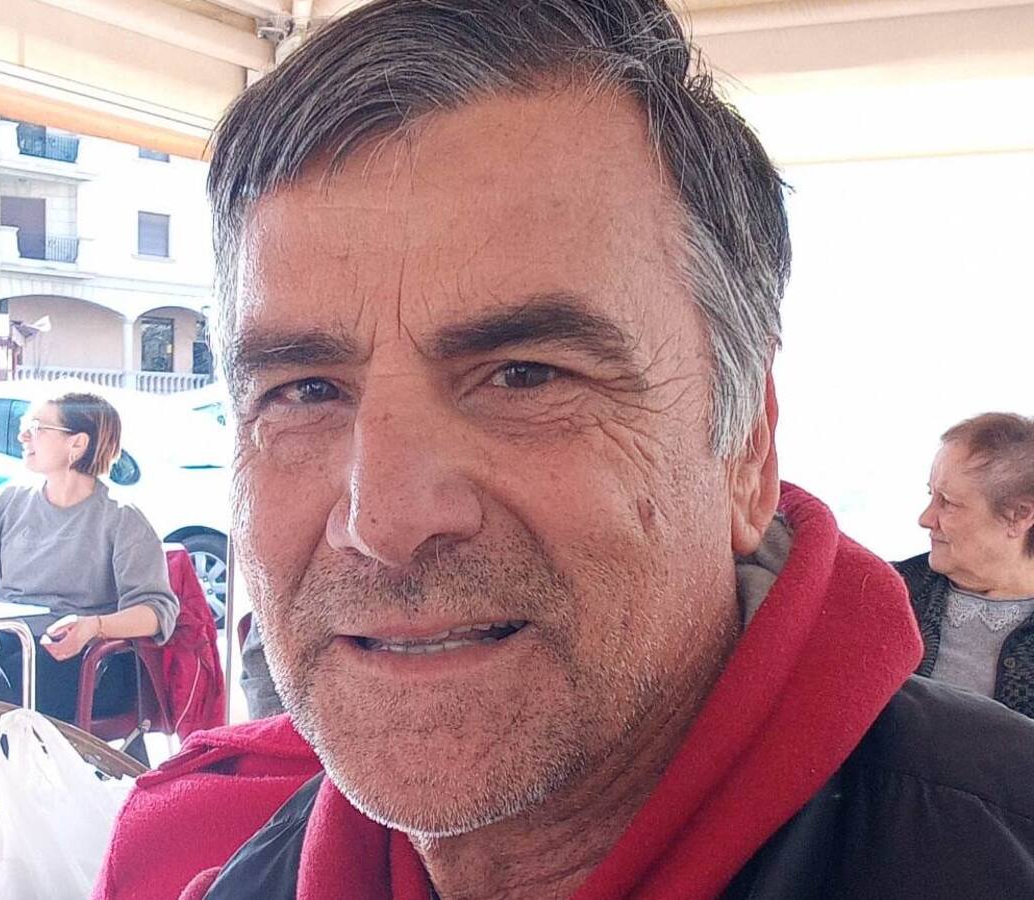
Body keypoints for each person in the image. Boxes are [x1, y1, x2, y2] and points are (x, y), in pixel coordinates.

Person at [94, 2, 1034, 898]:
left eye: (525, 375)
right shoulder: (237, 875)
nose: (383, 520)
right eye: (304, 391)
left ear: (746, 452)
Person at [0, 390, 178, 837]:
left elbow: (158, 612)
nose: (24, 436)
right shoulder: (9, 501)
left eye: (37, 427)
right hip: (10, 643)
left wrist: (93, 626)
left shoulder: (121, 518)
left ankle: (4, 815)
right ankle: (15, 797)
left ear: (77, 443)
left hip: (78, 656)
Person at [896, 413, 1034, 714]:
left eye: (948, 502)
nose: (925, 519)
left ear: (1019, 516)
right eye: (931, 495)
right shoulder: (887, 592)